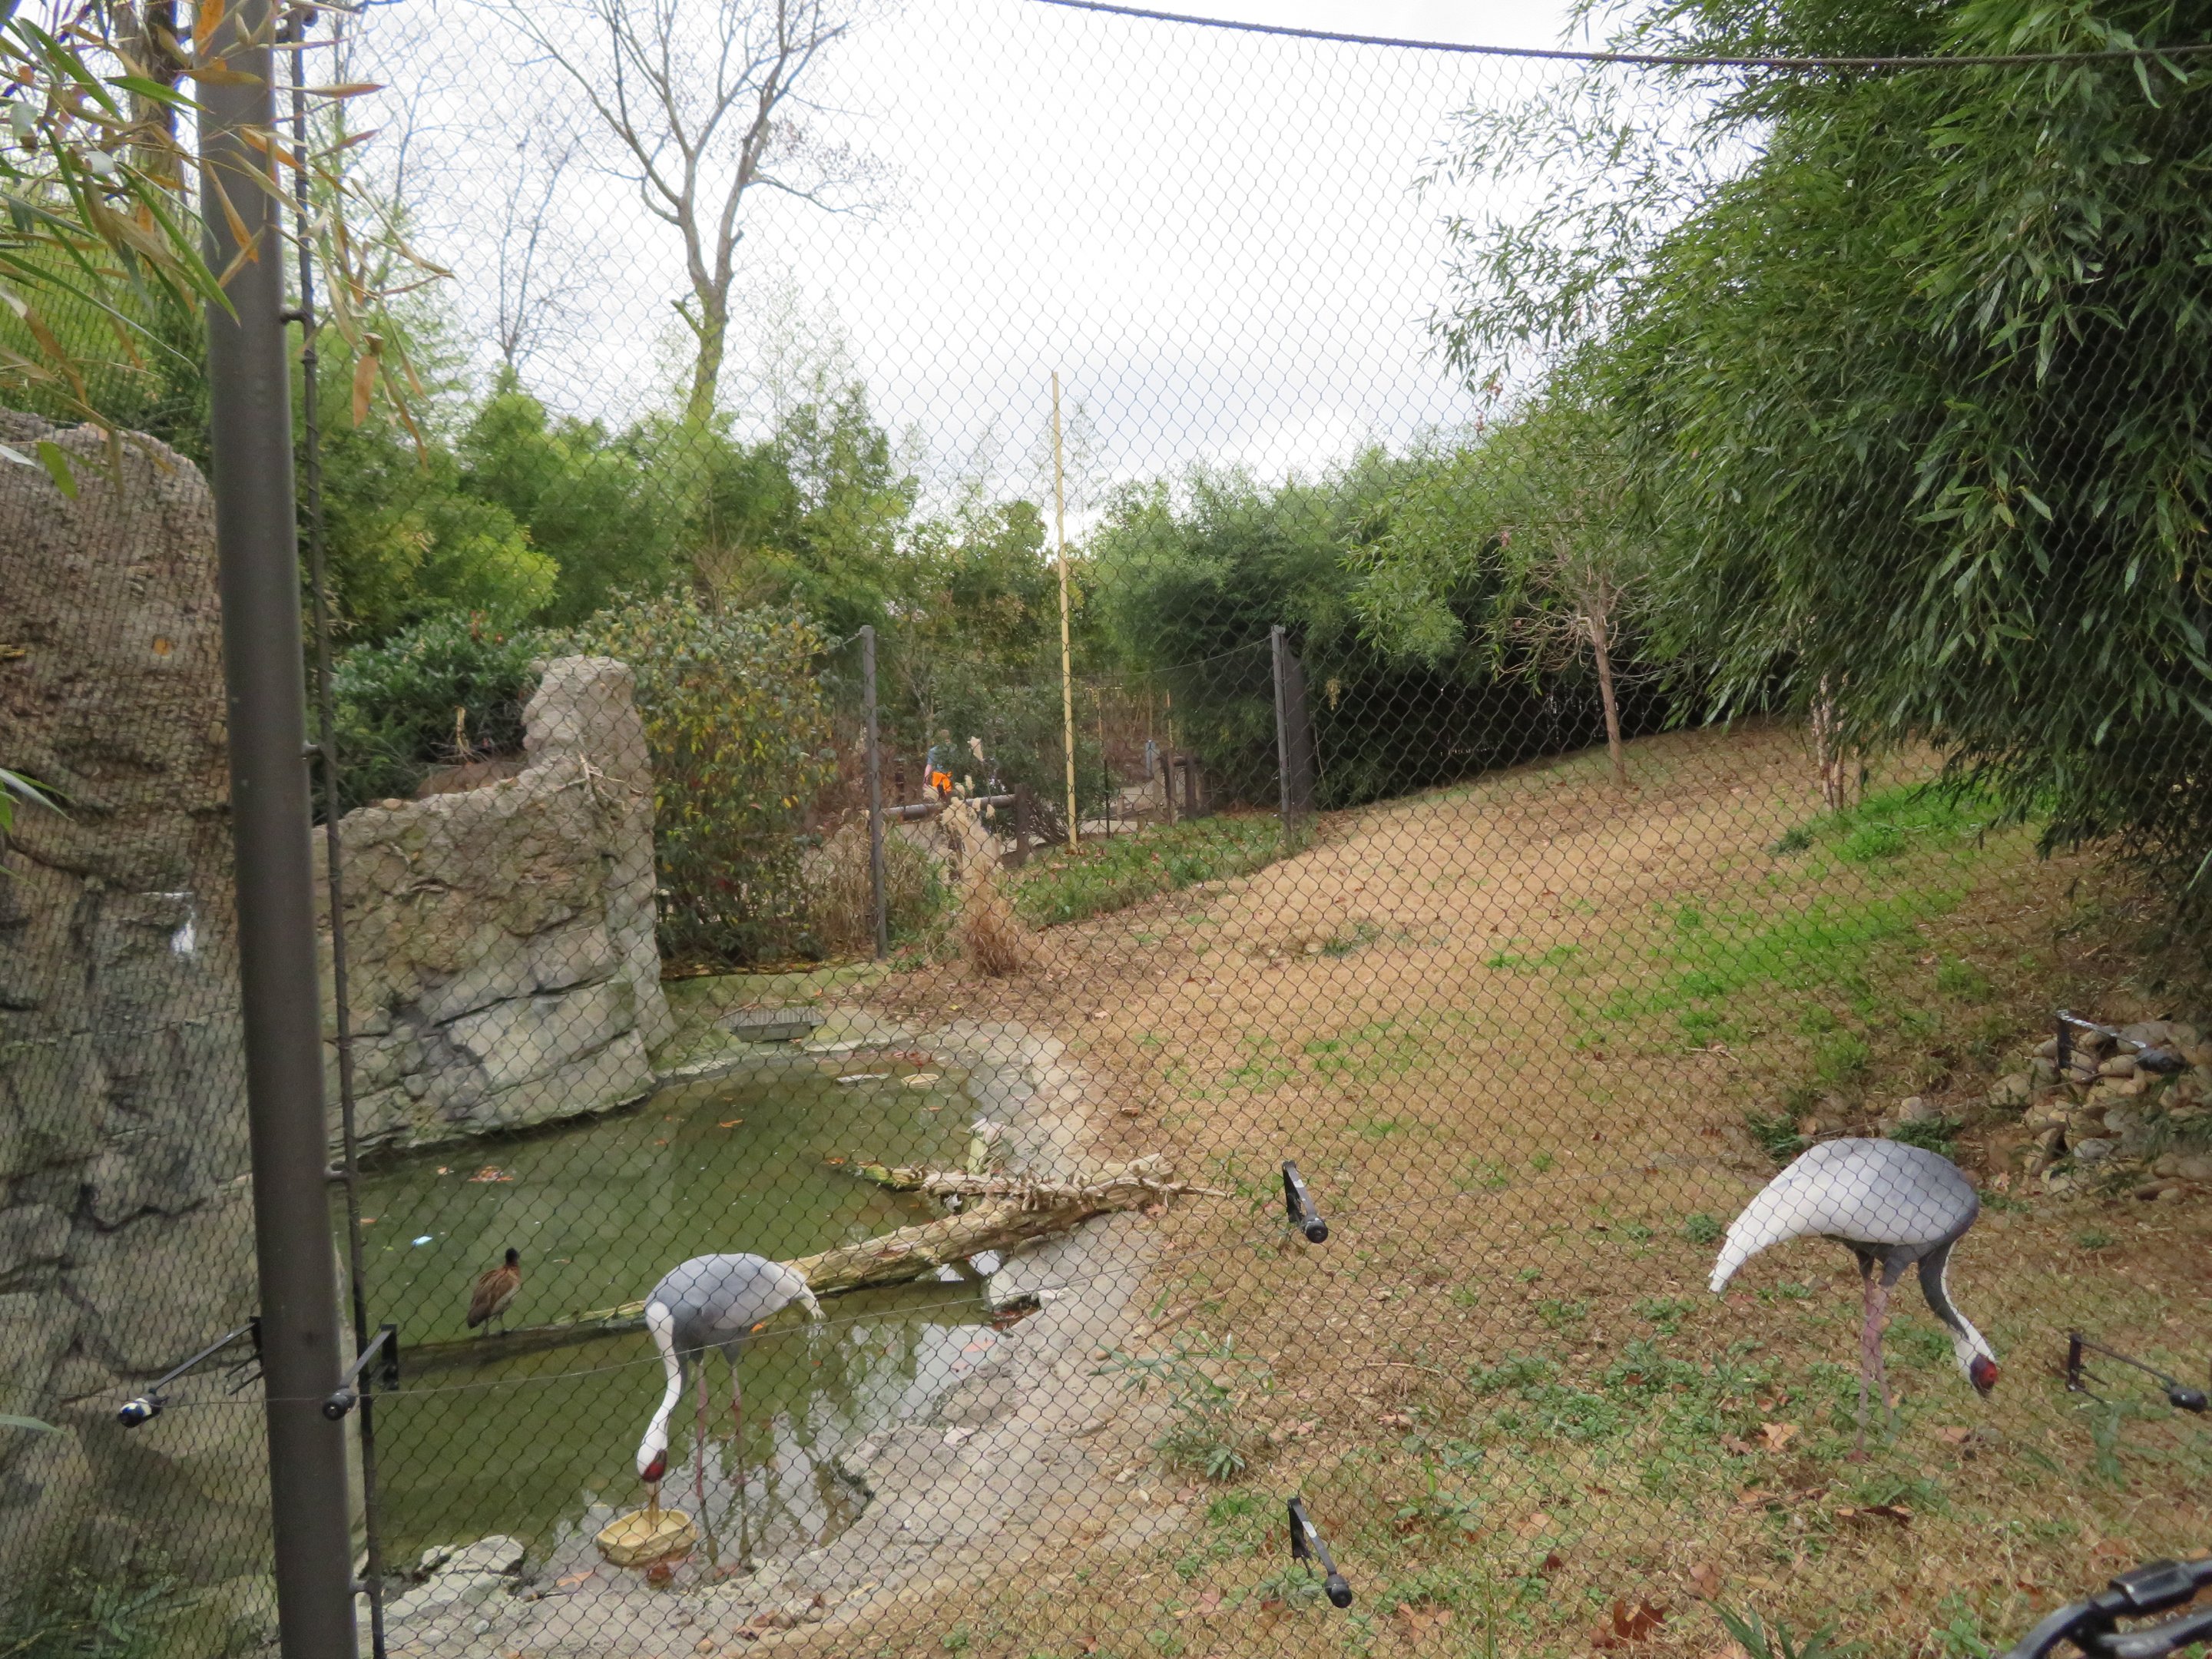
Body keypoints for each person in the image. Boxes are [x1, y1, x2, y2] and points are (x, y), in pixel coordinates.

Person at [926, 729, 955, 799]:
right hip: (948, 777)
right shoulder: (953, 749)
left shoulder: (933, 751)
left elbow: (929, 766)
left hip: (939, 778)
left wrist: (925, 779)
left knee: (938, 799)